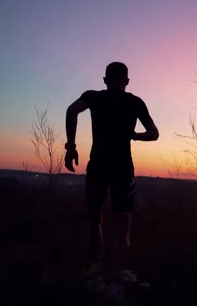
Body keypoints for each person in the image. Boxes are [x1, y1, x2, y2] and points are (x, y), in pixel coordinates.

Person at [64, 61, 159, 271]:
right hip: (123, 167)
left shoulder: (93, 97)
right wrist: (134, 135)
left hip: (98, 165)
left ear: (105, 80)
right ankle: (118, 280)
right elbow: (154, 134)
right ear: (127, 81)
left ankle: (94, 270)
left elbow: (72, 111)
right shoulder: (136, 102)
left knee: (94, 219)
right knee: (122, 230)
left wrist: (71, 147)